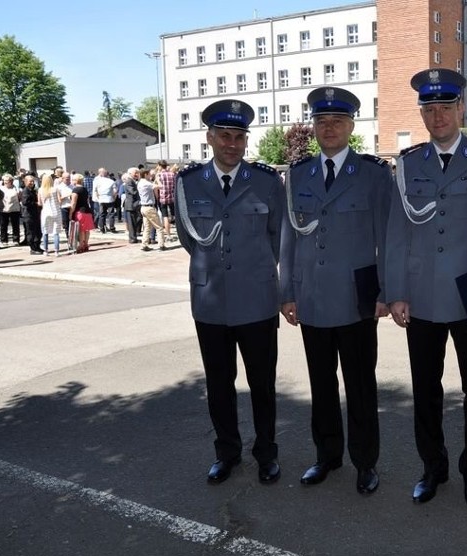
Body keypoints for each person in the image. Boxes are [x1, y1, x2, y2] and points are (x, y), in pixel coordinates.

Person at [386, 68, 467, 507]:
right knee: (425, 389)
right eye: (429, 108)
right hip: (421, 295)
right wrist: (396, 292)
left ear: (462, 108)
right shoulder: (407, 165)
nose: (437, 115)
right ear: (422, 113)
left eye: (446, 106)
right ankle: (432, 467)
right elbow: (397, 234)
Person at [280, 87, 392, 495]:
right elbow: (289, 239)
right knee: (321, 383)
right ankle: (326, 456)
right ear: (313, 127)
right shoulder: (296, 175)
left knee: (361, 385)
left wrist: (386, 290)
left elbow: (387, 237)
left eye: (337, 122)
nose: (329, 128)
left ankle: (366, 462)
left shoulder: (375, 173)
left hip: (358, 295)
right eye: (322, 122)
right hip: (311, 295)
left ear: (351, 126)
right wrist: (287, 292)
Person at [175, 99, 285, 486]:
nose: (232, 144)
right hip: (210, 301)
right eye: (224, 135)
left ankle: (267, 452)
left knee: (262, 384)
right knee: (219, 384)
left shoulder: (267, 182)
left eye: (239, 137)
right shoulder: (188, 183)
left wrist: (253, 272)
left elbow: (278, 238)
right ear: (209, 138)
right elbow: (189, 238)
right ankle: (226, 453)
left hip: (257, 300)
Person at [137, 168, 167, 251]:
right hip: (149, 207)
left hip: (143, 207)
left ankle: (144, 244)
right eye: (149, 174)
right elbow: (160, 186)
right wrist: (157, 179)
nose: (151, 175)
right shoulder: (146, 183)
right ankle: (161, 245)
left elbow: (151, 185)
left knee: (147, 227)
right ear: (145, 174)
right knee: (159, 227)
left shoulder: (141, 183)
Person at [38, 174, 63, 257]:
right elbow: (59, 201)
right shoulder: (55, 189)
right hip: (56, 211)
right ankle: (56, 251)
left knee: (45, 232)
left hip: (45, 211)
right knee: (56, 232)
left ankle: (46, 250)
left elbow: (39, 203)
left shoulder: (40, 190)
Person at [69, 173, 95, 253]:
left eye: (73, 179)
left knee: (81, 230)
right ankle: (86, 244)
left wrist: (70, 214)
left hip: (80, 212)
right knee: (87, 230)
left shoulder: (75, 190)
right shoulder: (84, 189)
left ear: (76, 181)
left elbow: (73, 203)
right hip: (87, 211)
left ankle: (81, 246)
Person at [21, 175, 42, 255]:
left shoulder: (32, 190)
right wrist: (36, 203)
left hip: (35, 214)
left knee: (38, 232)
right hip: (29, 215)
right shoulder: (25, 191)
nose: (32, 183)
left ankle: (37, 246)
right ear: (26, 182)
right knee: (31, 232)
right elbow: (25, 202)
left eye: (33, 181)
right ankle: (32, 248)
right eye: (30, 181)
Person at [92, 168, 118, 233]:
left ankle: (102, 228)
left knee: (102, 214)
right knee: (111, 214)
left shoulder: (97, 181)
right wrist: (114, 198)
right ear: (107, 174)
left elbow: (95, 191)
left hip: (101, 199)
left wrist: (97, 198)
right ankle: (112, 227)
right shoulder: (111, 181)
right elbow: (115, 191)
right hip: (109, 199)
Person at [156, 160, 177, 239]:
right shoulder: (172, 174)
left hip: (163, 198)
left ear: (160, 166)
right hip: (172, 197)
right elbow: (175, 185)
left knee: (165, 217)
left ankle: (168, 235)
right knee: (174, 215)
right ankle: (178, 232)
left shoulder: (159, 175)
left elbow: (158, 186)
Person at [0, 174, 21, 246]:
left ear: (11, 181)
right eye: (4, 181)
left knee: (15, 225)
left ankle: (16, 240)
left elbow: (19, 197)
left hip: (14, 209)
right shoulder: (1, 188)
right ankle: (4, 240)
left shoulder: (16, 188)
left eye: (7, 181)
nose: (5, 182)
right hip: (4, 209)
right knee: (3, 225)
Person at [123, 167, 142, 243]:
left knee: (135, 221)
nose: (137, 174)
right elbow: (133, 191)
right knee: (131, 223)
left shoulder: (132, 181)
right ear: (130, 173)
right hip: (131, 205)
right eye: (135, 173)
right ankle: (132, 238)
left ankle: (134, 237)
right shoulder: (129, 181)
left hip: (134, 204)